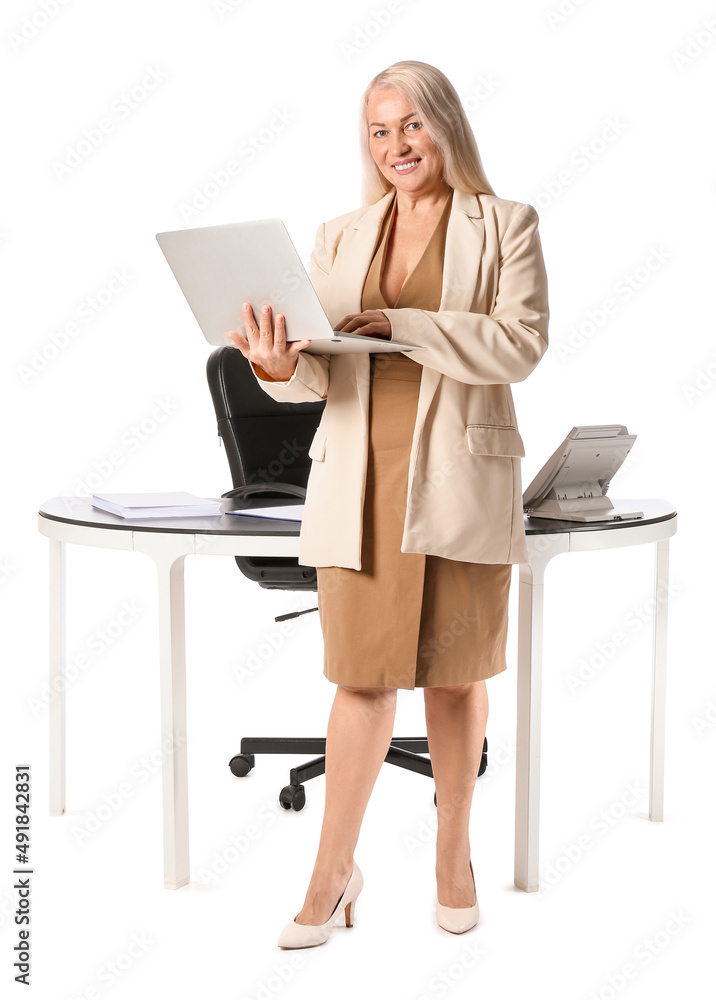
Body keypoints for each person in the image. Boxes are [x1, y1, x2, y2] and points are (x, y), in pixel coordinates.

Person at [226, 59, 549, 948]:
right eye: (379, 131)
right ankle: (332, 876)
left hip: (459, 475)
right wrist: (278, 366)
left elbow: (520, 345)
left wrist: (406, 324)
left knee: (455, 677)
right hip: (360, 476)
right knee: (359, 678)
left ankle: (453, 854)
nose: (397, 145)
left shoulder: (506, 224)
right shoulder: (340, 235)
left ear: (444, 124)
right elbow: (320, 368)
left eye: (412, 125)